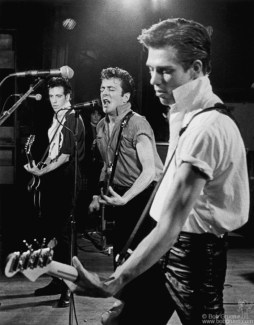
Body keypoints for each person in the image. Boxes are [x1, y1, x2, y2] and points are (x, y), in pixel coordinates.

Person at [65, 18, 250, 325]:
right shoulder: (185, 114)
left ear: (197, 68)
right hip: (164, 248)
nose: (153, 79)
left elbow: (172, 224)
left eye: (165, 70)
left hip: (193, 258)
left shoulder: (208, 126)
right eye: (151, 68)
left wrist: (115, 280)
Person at [88, 66, 169, 322]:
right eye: (102, 88)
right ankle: (127, 308)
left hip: (143, 198)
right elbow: (106, 164)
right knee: (121, 259)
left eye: (111, 89)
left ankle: (141, 312)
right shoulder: (101, 125)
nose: (104, 93)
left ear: (125, 97)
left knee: (140, 261)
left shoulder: (137, 122)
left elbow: (150, 171)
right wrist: (95, 195)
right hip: (120, 198)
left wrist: (126, 198)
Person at [24, 77, 86, 308]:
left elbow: (66, 155)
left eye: (58, 96)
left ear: (68, 96)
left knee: (66, 236)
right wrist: (40, 168)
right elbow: (53, 151)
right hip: (55, 180)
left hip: (68, 181)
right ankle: (57, 281)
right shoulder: (57, 117)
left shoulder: (73, 117)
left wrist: (45, 171)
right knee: (53, 235)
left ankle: (69, 289)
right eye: (51, 96)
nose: (54, 100)